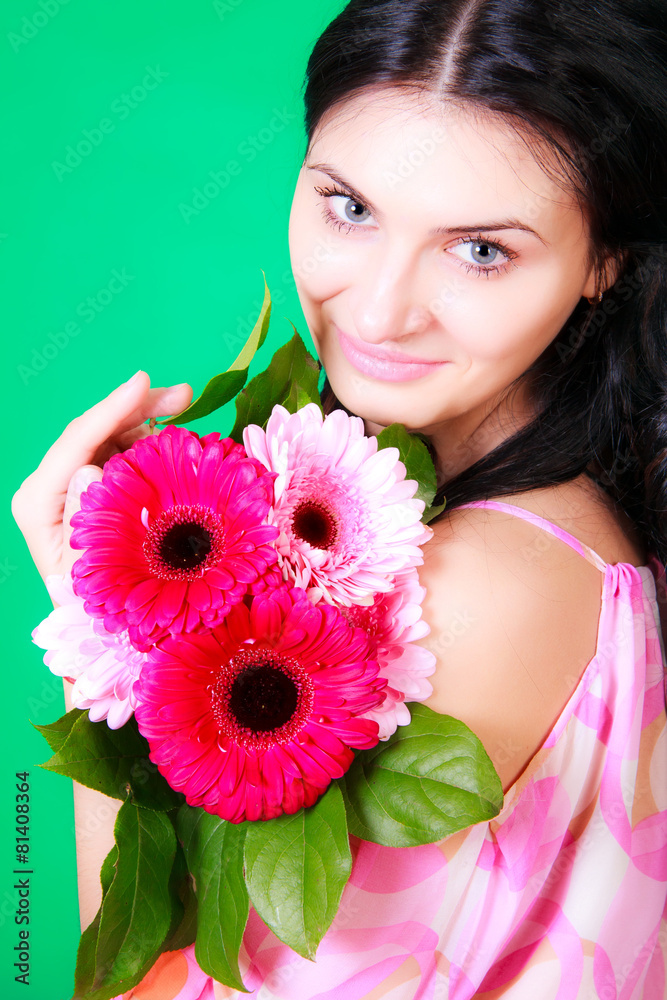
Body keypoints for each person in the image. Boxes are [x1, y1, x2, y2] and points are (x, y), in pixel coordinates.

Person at [12, 0, 667, 996]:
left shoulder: (475, 592)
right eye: (349, 208)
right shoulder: (535, 513)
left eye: (480, 250)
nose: (378, 309)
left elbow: (158, 985)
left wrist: (100, 630)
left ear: (603, 259)